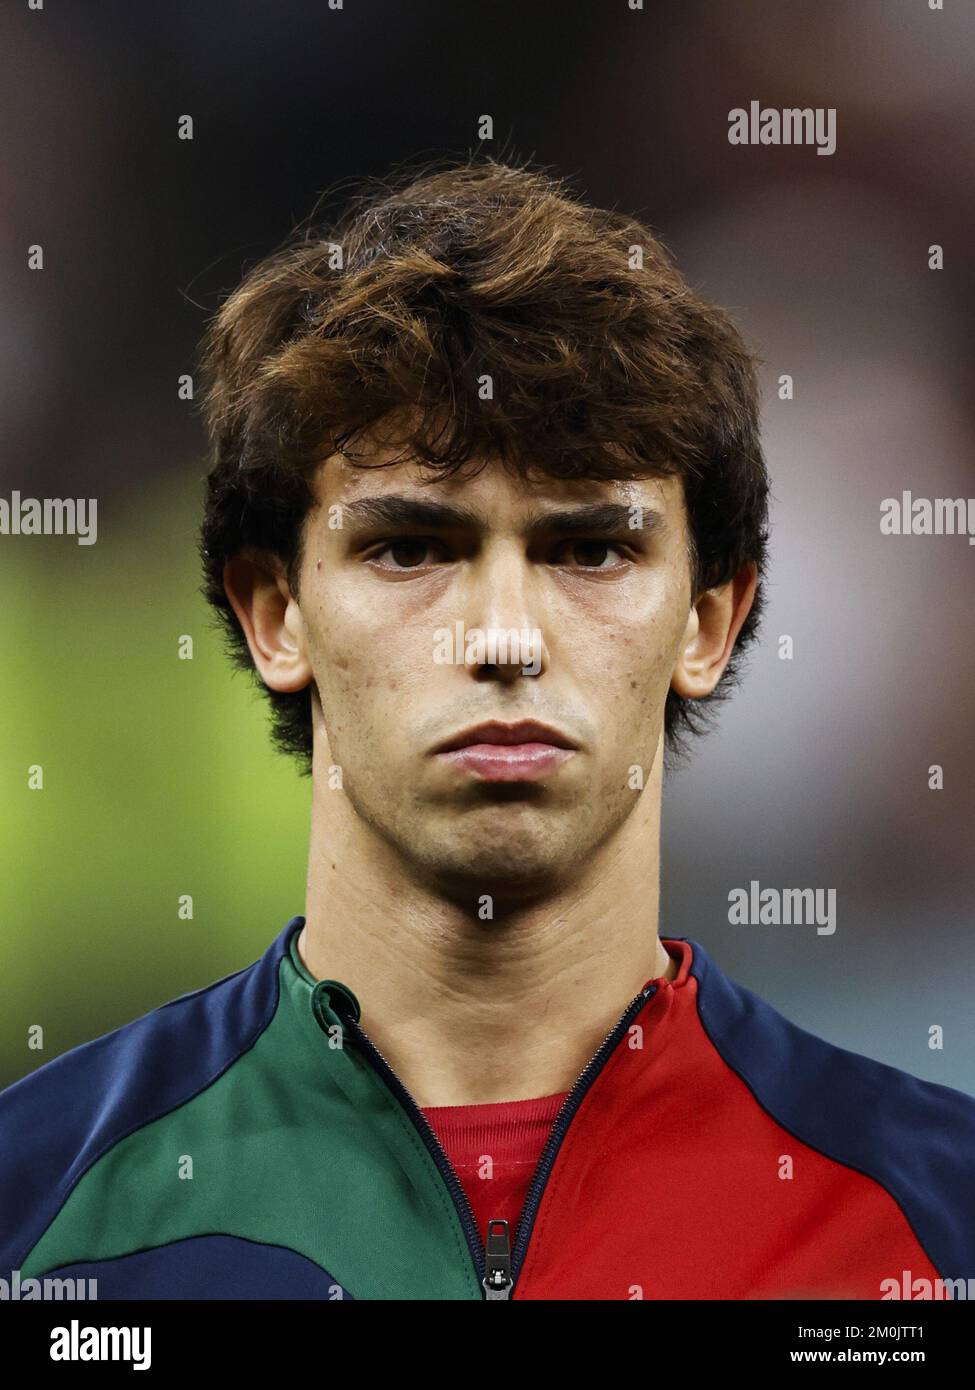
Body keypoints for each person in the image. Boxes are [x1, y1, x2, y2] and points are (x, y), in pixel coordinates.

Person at [2, 157, 972, 1301]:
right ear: (276, 616)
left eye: (589, 549)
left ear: (710, 623)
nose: (505, 637)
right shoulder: (35, 1208)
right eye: (410, 547)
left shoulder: (939, 1219)